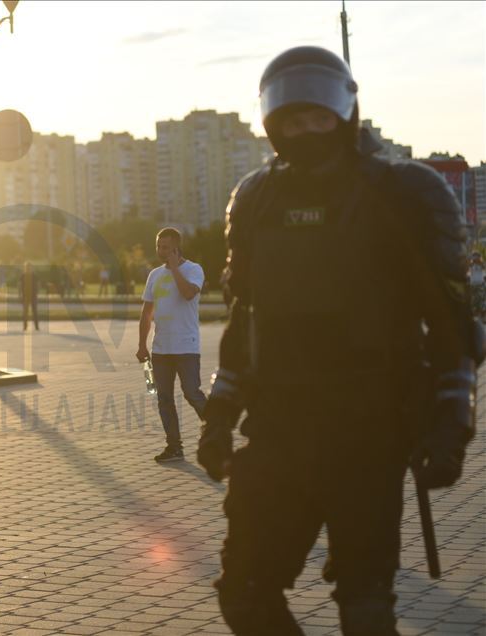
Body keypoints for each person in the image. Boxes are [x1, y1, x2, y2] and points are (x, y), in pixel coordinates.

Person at [196, 46, 482, 635]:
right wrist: (220, 415)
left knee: (365, 610)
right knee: (245, 596)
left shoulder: (404, 192)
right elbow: (246, 321)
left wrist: (453, 420)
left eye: (318, 118)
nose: (307, 131)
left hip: (368, 434)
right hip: (277, 432)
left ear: (344, 115)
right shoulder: (257, 201)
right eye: (293, 121)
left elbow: (452, 325)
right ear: (274, 125)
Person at [136, 227, 207, 462]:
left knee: (192, 393)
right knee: (163, 398)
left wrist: (175, 268)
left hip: (186, 347)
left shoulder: (194, 270)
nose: (160, 251)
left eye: (165, 247)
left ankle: (216, 431)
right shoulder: (154, 275)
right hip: (160, 350)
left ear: (176, 248)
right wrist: (141, 345)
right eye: (158, 246)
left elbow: (188, 294)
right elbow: (146, 313)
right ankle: (174, 447)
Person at [19, 261, 40, 331]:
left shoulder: (34, 276)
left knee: (34, 312)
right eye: (26, 267)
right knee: (25, 312)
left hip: (33, 296)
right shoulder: (23, 276)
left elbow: (37, 285)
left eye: (29, 267)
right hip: (26, 296)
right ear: (25, 268)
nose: (28, 268)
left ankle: (36, 326)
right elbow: (20, 286)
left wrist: (37, 293)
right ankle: (25, 326)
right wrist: (20, 294)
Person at [469, 252, 485, 321]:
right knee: (473, 300)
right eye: (474, 257)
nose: (475, 258)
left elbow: (484, 266)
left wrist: (479, 260)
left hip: (480, 284)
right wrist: (472, 260)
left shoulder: (481, 264)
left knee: (481, 300)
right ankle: (475, 316)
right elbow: (467, 266)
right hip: (473, 284)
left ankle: (483, 315)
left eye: (477, 257)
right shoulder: (471, 264)